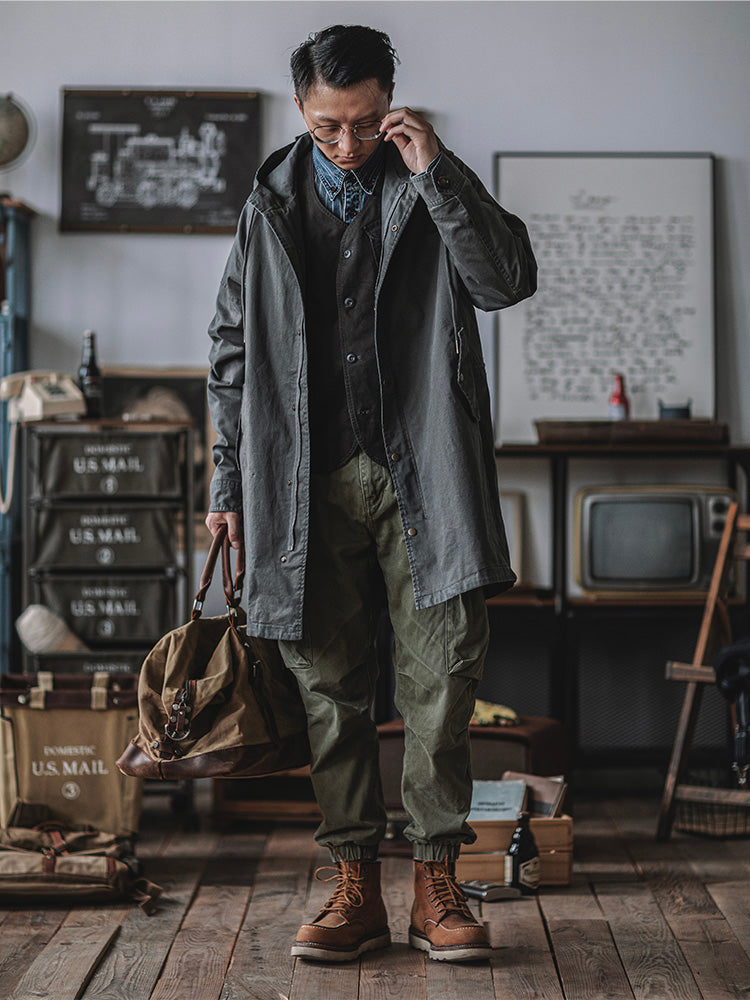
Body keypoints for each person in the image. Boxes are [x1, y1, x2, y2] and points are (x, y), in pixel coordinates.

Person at [206, 24, 537, 964]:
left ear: (390, 96)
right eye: (326, 127)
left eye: (361, 123)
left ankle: (438, 882)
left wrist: (436, 168)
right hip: (299, 481)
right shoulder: (266, 202)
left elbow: (506, 279)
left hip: (422, 470)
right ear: (301, 110)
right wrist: (229, 480)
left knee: (442, 679)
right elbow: (230, 349)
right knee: (327, 685)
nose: (346, 144)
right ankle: (354, 882)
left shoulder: (428, 181)